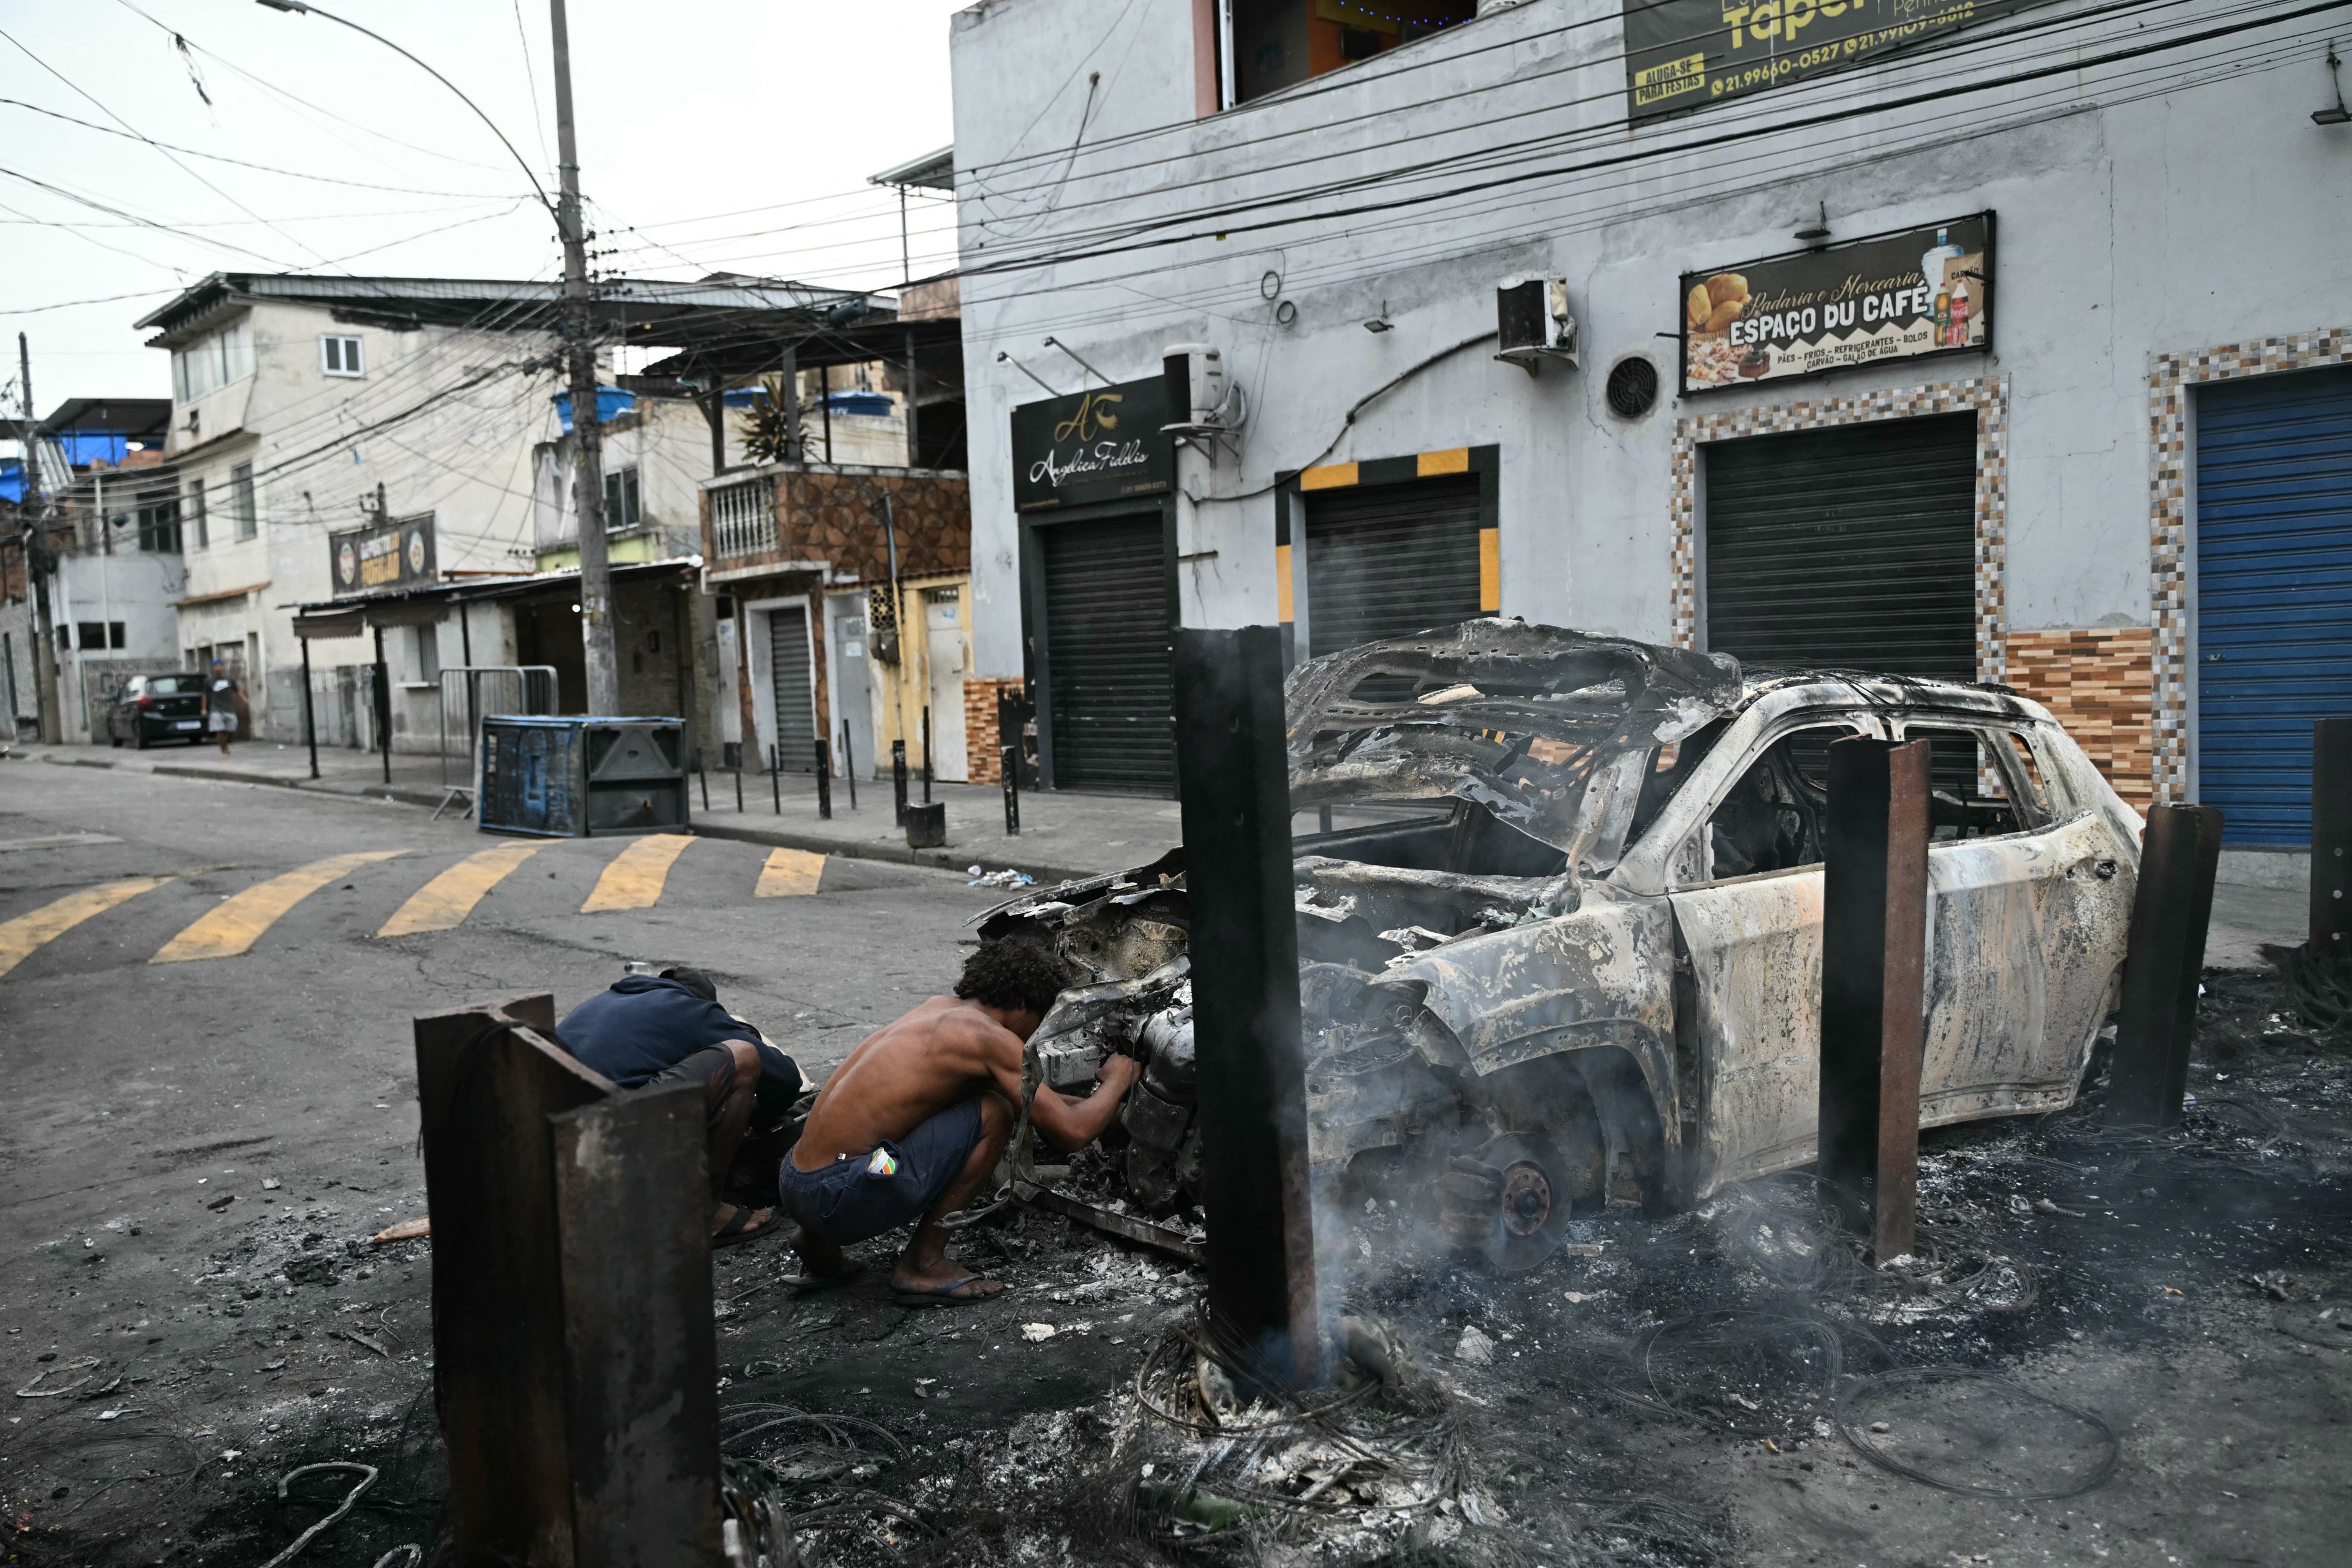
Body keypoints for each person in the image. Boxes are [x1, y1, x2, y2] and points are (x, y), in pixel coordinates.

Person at [780, 941, 1136, 1305]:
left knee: (965, 1108)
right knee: (994, 1113)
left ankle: (815, 1243)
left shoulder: (939, 1011)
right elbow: (1072, 1133)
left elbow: (1037, 1106)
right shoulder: (987, 1038)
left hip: (798, 1184)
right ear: (1023, 1005)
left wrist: (1106, 1109)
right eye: (1040, 1021)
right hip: (840, 1195)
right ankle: (923, 1263)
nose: (1035, 1035)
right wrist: (1118, 1080)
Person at [556, 965, 807, 1248]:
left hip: (557, 1148)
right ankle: (706, 1213)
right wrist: (760, 1116)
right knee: (742, 1056)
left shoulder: (605, 1003)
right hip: (608, 1144)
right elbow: (786, 1079)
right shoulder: (693, 1009)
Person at [203, 659, 238, 756]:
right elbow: (205, 695)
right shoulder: (210, 681)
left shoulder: (230, 680)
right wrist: (204, 709)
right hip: (216, 710)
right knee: (219, 730)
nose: (218, 668)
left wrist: (245, 700)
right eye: (216, 666)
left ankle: (225, 744)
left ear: (223, 667)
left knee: (232, 729)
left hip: (228, 709)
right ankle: (224, 751)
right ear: (213, 668)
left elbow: (237, 691)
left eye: (220, 666)